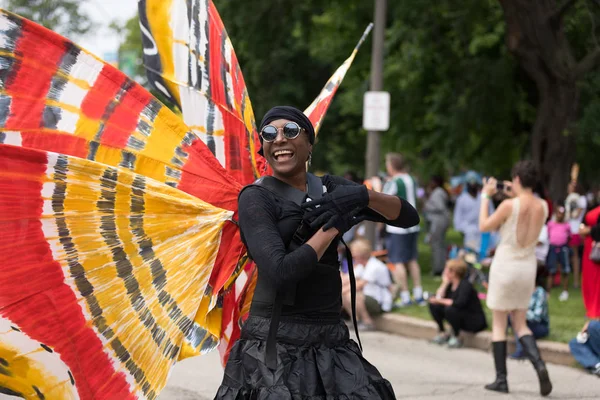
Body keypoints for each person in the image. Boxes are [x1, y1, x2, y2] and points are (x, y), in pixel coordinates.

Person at [215, 106, 420, 399]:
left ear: (309, 144)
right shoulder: (256, 198)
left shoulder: (330, 187)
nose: (280, 139)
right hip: (276, 344)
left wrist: (365, 195)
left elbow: (408, 217)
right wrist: (333, 227)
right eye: (270, 134)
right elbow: (280, 271)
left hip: (330, 340)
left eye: (291, 131)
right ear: (264, 147)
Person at [479, 160, 552, 396]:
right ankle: (539, 365)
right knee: (520, 323)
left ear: (517, 179)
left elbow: (484, 226)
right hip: (527, 266)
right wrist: (516, 190)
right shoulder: (543, 205)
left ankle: (501, 379)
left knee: (500, 323)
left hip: (506, 264)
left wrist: (485, 196)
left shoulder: (509, 205)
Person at [383, 153, 424, 306]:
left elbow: (383, 197)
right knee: (412, 259)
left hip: (398, 227)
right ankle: (418, 293)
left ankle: (406, 295)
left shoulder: (395, 181)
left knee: (398, 260)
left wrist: (380, 184)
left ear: (392, 165)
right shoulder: (411, 179)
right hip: (413, 225)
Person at [428, 259, 487, 348]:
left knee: (450, 309)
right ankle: (442, 332)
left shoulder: (465, 285)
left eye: (447, 269)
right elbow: (439, 297)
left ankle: (456, 336)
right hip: (459, 317)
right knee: (434, 306)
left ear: (453, 272)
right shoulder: (450, 284)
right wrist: (444, 283)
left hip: (473, 320)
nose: (444, 272)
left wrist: (439, 300)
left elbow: (459, 303)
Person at [341, 238, 393, 331]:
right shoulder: (361, 265)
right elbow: (347, 279)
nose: (352, 256)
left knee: (351, 294)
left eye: (354, 254)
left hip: (379, 301)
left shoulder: (374, 266)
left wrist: (339, 293)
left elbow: (359, 285)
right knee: (346, 294)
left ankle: (367, 322)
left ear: (361, 254)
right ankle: (355, 321)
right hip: (367, 297)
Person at [509, 266, 550, 359]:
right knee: (512, 318)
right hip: (523, 321)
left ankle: (522, 351)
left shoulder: (540, 292)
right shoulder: (521, 291)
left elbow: (537, 316)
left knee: (519, 321)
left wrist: (521, 313)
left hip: (539, 326)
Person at [424, 175, 451, 276]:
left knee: (436, 245)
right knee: (438, 244)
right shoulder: (438, 192)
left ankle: (438, 269)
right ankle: (440, 267)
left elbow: (440, 207)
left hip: (438, 221)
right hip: (438, 221)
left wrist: (428, 206)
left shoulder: (438, 192)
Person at [546, 206, 572, 300]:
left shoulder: (567, 225)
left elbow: (570, 236)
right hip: (553, 248)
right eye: (558, 213)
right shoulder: (551, 224)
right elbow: (548, 234)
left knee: (565, 270)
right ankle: (548, 292)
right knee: (551, 270)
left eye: (562, 213)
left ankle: (565, 291)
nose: (560, 215)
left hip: (563, 248)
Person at [453, 171, 485, 250]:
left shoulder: (484, 198)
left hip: (484, 232)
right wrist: (464, 230)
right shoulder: (461, 199)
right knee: (471, 256)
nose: (473, 185)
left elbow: (491, 214)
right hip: (469, 232)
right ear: (467, 184)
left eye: (474, 182)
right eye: (470, 183)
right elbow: (457, 219)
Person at [579, 204, 600, 320]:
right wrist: (582, 228)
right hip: (589, 247)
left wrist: (589, 230)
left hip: (596, 246)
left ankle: (596, 310)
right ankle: (590, 307)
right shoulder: (593, 205)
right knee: (588, 278)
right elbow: (584, 221)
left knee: (597, 279)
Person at [566, 182, 587, 288]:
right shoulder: (571, 199)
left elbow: (576, 214)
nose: (568, 189)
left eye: (570, 187)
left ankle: (576, 281)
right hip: (569, 229)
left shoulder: (581, 199)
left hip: (575, 230)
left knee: (575, 257)